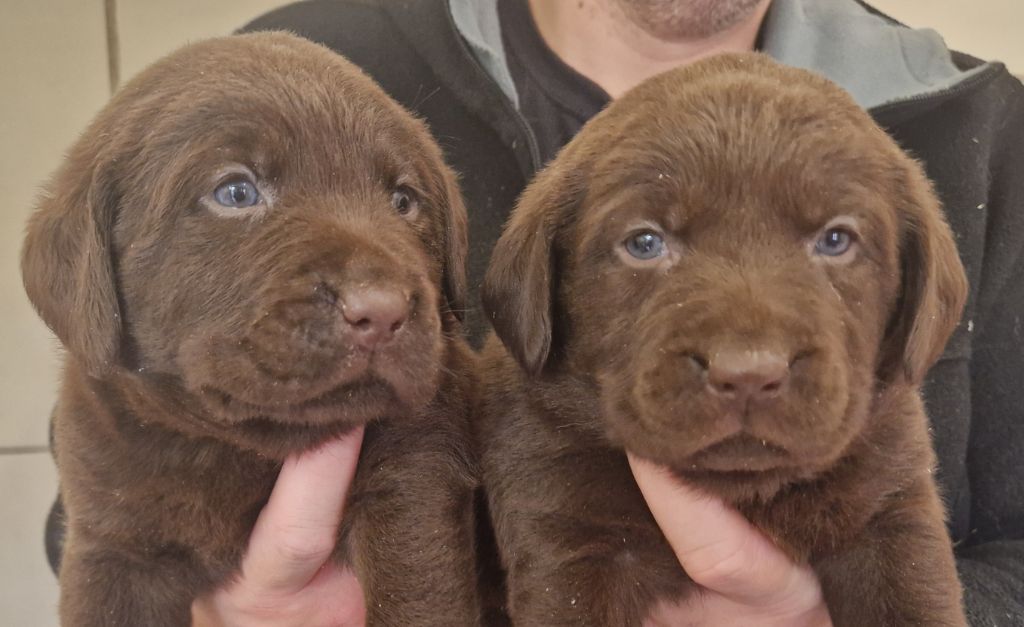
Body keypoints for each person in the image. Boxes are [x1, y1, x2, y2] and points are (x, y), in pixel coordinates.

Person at [45, 0, 1021, 625]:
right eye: (644, 241)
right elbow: (98, 521)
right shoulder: (306, 61)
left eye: (837, 241)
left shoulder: (987, 129)